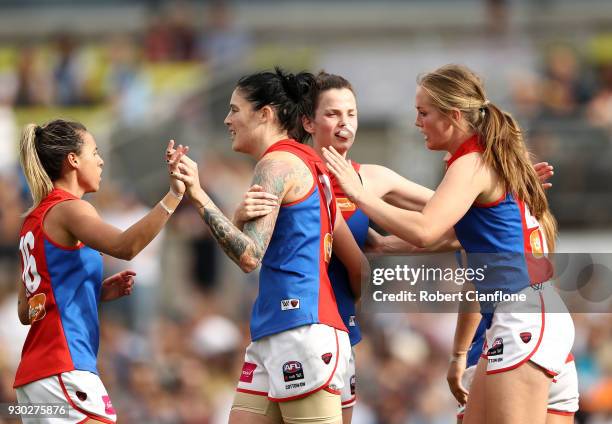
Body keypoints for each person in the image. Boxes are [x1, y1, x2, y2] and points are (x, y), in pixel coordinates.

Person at [234, 70, 557, 423]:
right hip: (291, 324)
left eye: (352, 114)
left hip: (326, 331)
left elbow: (456, 217)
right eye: (333, 114)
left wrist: (503, 190)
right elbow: (256, 246)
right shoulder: (293, 171)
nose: (345, 123)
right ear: (308, 122)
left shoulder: (370, 178)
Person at [323, 64, 574, 424]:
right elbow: (454, 234)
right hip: (525, 316)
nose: (417, 122)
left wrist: (359, 194)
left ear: (454, 116)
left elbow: (427, 229)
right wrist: (385, 245)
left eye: (423, 113)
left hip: (523, 315)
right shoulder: (483, 160)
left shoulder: (472, 163)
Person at [169, 68, 367, 424]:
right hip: (282, 329)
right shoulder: (312, 166)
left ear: (265, 114)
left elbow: (248, 256)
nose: (228, 119)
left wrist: (199, 195)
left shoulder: (275, 164)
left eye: (234, 109)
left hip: (301, 330)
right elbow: (358, 265)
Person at [15, 119, 184, 423]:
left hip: (35, 375)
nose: (101, 160)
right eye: (95, 152)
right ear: (73, 160)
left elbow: (27, 310)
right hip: (63, 365)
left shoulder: (32, 220)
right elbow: (125, 247)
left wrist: (95, 291)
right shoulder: (70, 209)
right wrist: (173, 196)